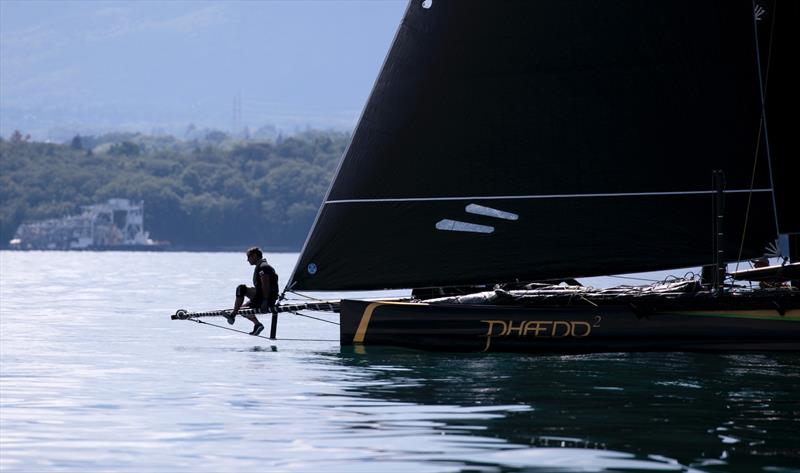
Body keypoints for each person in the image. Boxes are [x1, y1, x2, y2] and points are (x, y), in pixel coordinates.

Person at [224, 247, 279, 336]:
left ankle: (233, 315)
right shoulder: (262, 266)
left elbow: (266, 285)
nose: (247, 260)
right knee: (241, 308)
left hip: (266, 299)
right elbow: (261, 287)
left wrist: (265, 301)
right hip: (264, 297)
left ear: (254, 256)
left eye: (248, 257)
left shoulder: (263, 267)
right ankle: (257, 325)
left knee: (240, 289)